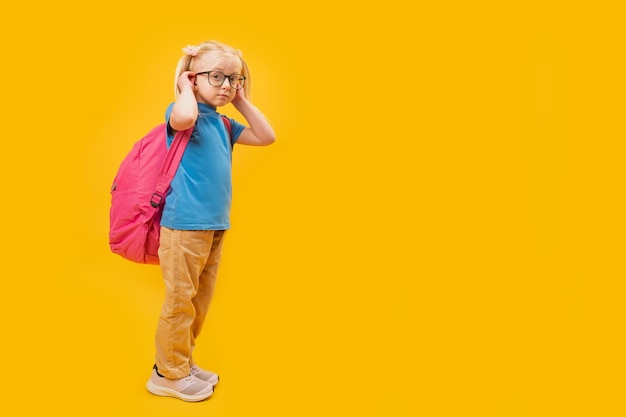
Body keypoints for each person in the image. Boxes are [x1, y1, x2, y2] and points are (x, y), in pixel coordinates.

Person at [146, 40, 276, 402]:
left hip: (214, 225)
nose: (226, 85)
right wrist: (183, 88)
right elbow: (184, 116)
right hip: (184, 226)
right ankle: (166, 374)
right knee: (179, 301)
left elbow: (266, 136)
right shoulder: (181, 113)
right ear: (193, 77)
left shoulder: (223, 122)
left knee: (199, 301)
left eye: (234, 79)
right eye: (216, 76)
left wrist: (243, 102)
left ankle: (181, 362)